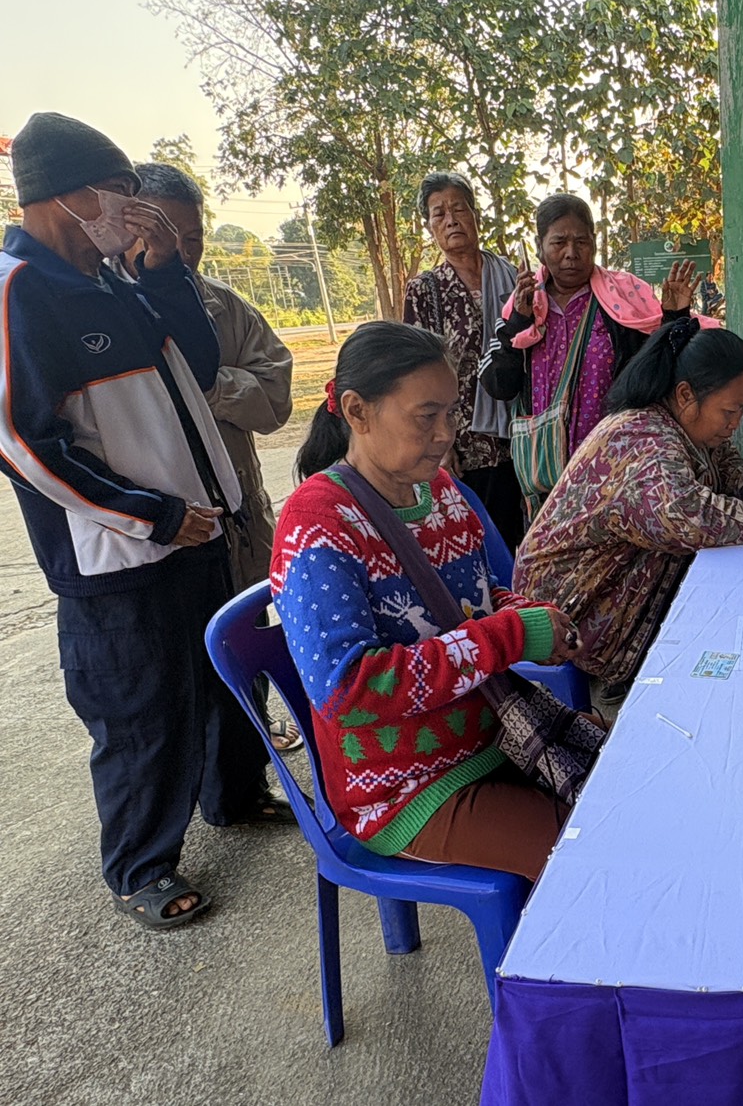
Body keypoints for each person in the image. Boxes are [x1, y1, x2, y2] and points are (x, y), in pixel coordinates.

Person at [0, 113, 283, 931]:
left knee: (221, 675)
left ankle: (234, 795)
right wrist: (149, 515)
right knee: (140, 711)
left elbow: (199, 365)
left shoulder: (118, 279)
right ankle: (140, 866)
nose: (129, 209)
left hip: (199, 526)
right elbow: (21, 440)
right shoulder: (19, 290)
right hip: (121, 555)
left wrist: (162, 274)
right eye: (116, 191)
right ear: (63, 194)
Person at [273, 322, 583, 877]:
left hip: (497, 733)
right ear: (357, 411)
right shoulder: (317, 523)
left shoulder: (440, 491)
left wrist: (526, 615)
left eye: (451, 414)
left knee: (626, 797)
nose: (445, 435)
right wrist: (512, 636)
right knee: (588, 860)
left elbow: (478, 599)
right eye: (426, 416)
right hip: (402, 787)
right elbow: (347, 689)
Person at [515, 319, 743, 716]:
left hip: (607, 594)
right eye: (730, 410)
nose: (735, 423)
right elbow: (690, 520)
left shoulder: (675, 423)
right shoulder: (642, 440)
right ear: (686, 394)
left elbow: (720, 459)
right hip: (571, 615)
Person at [128, 161, 301, 754]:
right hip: (160, 525)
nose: (180, 251)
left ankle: (254, 746)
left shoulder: (227, 309)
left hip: (239, 518)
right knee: (177, 664)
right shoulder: (108, 310)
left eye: (192, 237)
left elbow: (275, 399)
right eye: (162, 234)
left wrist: (207, 385)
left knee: (244, 634)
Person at [481, 193, 710, 496]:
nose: (571, 253)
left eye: (582, 242)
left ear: (594, 244)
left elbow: (658, 371)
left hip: (614, 465)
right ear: (539, 248)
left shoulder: (621, 301)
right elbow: (498, 385)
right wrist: (519, 322)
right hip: (545, 473)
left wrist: (673, 316)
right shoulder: (522, 306)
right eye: (559, 242)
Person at [402, 171, 523, 555]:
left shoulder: (514, 278)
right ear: (430, 227)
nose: (451, 220)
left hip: (523, 436)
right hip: (467, 444)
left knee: (527, 538)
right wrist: (438, 442)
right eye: (439, 214)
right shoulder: (425, 291)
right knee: (483, 543)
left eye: (459, 209)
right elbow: (418, 374)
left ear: (475, 215)